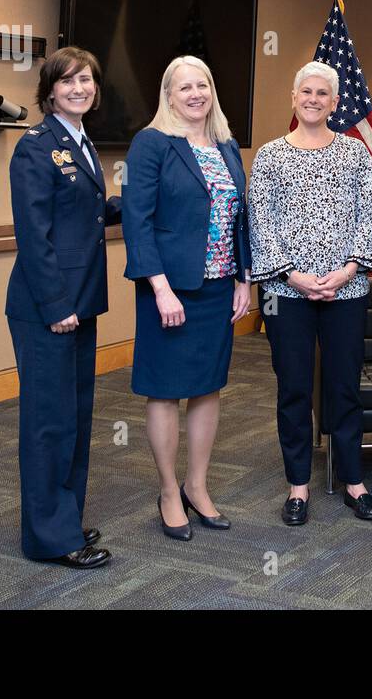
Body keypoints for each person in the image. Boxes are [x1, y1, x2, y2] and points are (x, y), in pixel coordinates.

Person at [248, 61, 372, 526]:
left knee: (345, 387)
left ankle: (353, 481)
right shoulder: (269, 156)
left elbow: (369, 217)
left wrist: (348, 271)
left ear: (334, 101)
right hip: (286, 293)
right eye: (305, 91)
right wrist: (294, 276)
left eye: (322, 93)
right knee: (294, 389)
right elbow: (259, 223)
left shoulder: (354, 153)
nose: (313, 99)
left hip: (346, 291)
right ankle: (298, 486)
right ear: (293, 97)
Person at [122, 55, 251, 542]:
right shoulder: (151, 143)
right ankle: (168, 492)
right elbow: (137, 220)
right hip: (170, 291)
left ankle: (197, 486)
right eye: (185, 87)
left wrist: (243, 277)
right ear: (168, 95)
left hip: (219, 288)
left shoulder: (226, 145)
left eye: (203, 85)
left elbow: (240, 218)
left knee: (207, 386)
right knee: (165, 390)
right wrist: (159, 288)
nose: (195, 94)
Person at [6, 46, 122, 569]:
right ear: (50, 89)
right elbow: (34, 235)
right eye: (69, 80)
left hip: (81, 302)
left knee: (74, 416)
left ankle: (65, 516)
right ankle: (50, 539)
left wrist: (139, 200)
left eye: (88, 80)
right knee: (49, 421)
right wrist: (55, 304)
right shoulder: (36, 145)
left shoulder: (81, 141)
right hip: (47, 306)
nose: (80, 88)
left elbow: (89, 214)